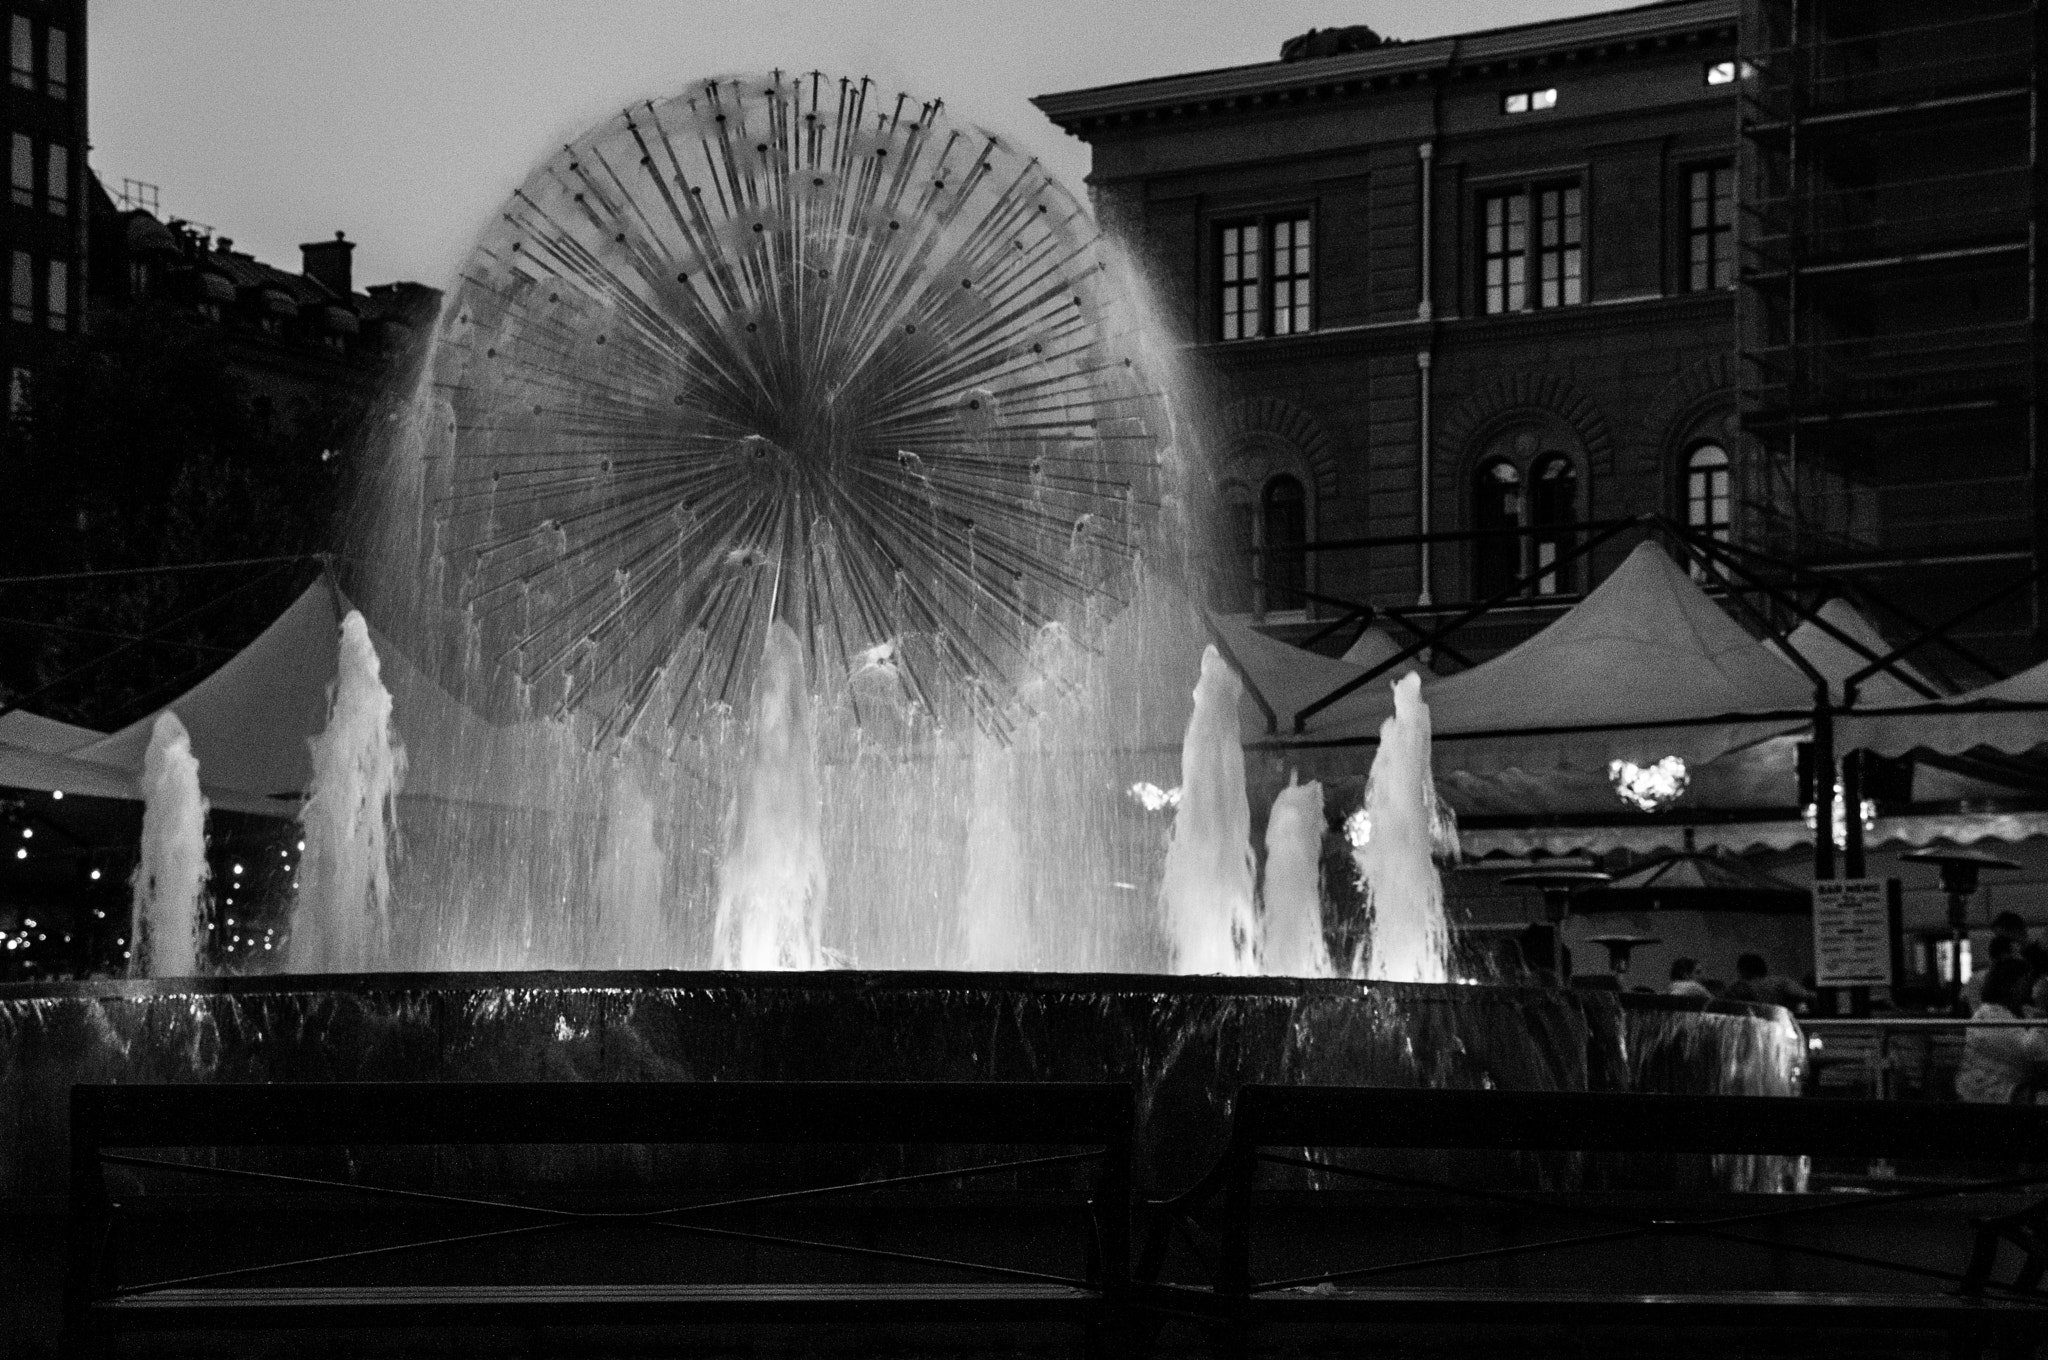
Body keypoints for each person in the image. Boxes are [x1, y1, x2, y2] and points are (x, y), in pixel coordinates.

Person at [1957, 958, 2048, 1104]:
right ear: (2012, 984)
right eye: (2026, 980)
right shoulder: (1987, 1016)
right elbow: (2032, 1051)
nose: (2032, 986)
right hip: (1988, 1090)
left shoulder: (2023, 1011)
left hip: (2012, 1085)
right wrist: (2042, 1006)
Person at [1722, 953, 1812, 1012]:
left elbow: (1720, 1007)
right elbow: (1808, 995)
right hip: (1778, 1027)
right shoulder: (1780, 982)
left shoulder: (1737, 988)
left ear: (1742, 971)